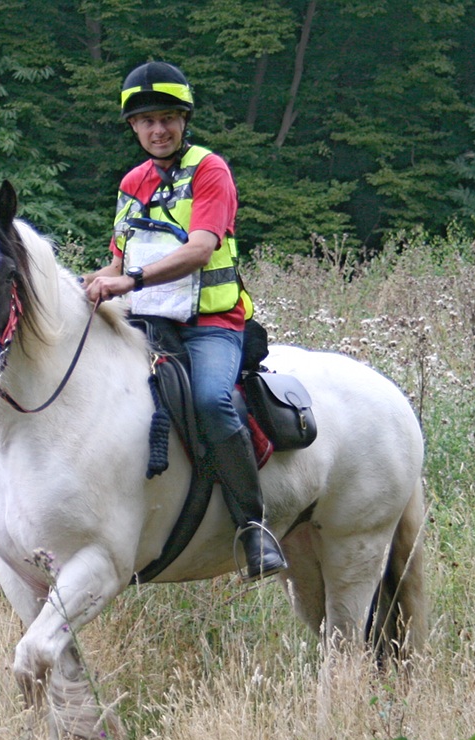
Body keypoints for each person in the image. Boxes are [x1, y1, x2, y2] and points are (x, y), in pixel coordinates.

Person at [82, 61, 287, 580]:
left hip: (213, 325)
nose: (158, 130)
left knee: (211, 401)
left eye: (168, 118)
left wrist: (128, 282)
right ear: (133, 127)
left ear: (184, 120)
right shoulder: (133, 182)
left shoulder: (209, 169)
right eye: (147, 121)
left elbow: (199, 249)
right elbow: (119, 258)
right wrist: (85, 284)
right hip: (151, 322)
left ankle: (252, 526)